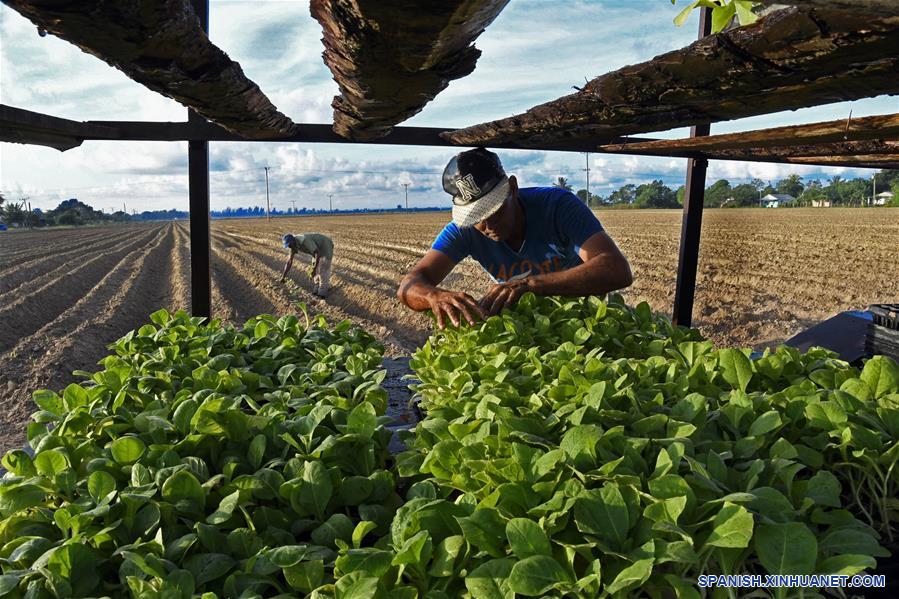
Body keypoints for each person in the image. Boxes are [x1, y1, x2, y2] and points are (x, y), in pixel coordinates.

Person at [397, 147, 633, 328]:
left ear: (513, 188)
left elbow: (615, 269)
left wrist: (531, 285)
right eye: (477, 217)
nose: (488, 225)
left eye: (494, 210)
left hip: (583, 323)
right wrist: (432, 295)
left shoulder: (558, 206)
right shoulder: (464, 229)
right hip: (523, 327)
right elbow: (409, 285)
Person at [281, 232, 334, 297]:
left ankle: (322, 294)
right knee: (315, 266)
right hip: (316, 251)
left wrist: (314, 269)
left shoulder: (305, 240)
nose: (289, 247)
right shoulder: (293, 246)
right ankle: (317, 288)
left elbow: (317, 253)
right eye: (288, 246)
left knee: (323, 269)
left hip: (325, 246)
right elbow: (289, 261)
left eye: (289, 245)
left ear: (293, 241)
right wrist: (283, 277)